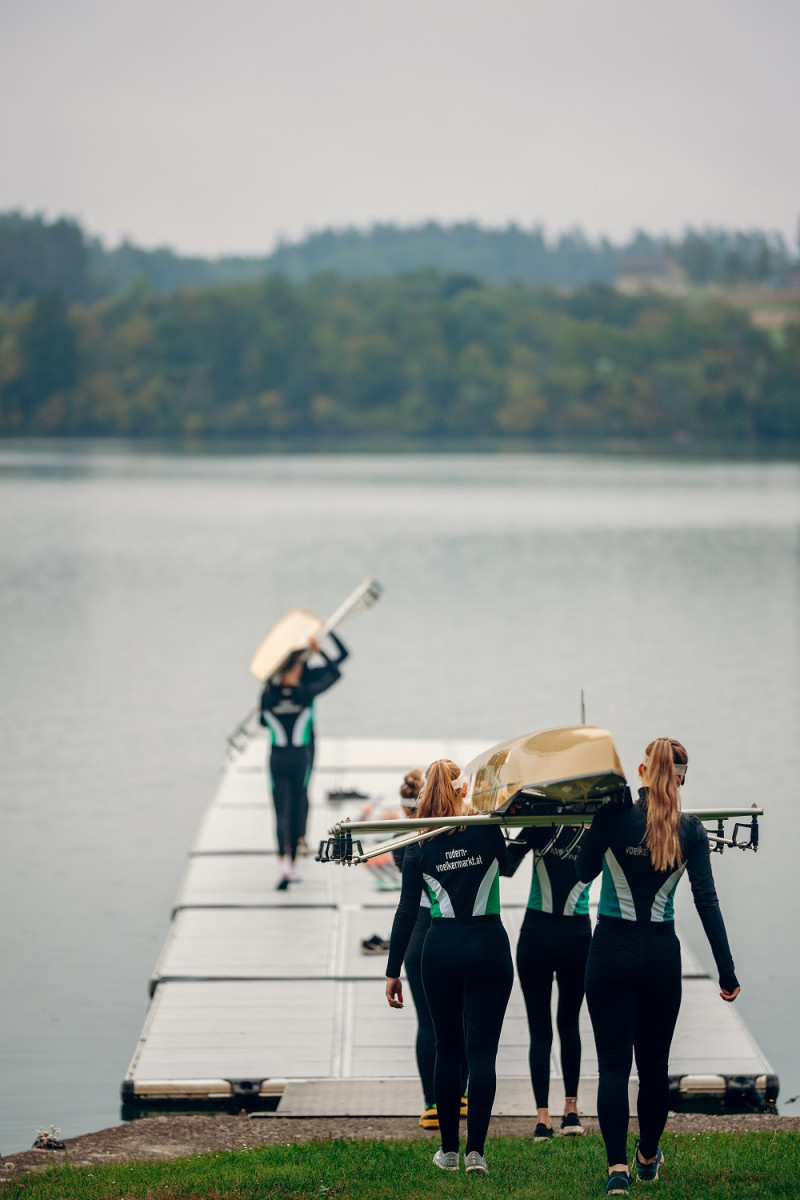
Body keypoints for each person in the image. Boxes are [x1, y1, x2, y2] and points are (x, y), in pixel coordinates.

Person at [577, 737, 740, 1196]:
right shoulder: (691, 831)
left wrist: (599, 818)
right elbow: (706, 902)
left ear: (642, 771)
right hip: (661, 960)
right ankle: (647, 1157)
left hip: (609, 952)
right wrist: (726, 971)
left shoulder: (613, 816)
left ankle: (616, 1171)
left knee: (612, 1066)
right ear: (683, 777)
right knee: (653, 1067)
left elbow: (582, 873)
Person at [385, 760, 513, 1175]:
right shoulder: (488, 831)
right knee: (482, 1052)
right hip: (488, 945)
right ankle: (476, 1152)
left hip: (439, 948)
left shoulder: (418, 844)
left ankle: (449, 1152)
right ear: (462, 793)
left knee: (448, 1047)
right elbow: (508, 866)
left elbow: (406, 913)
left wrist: (392, 971)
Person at [390, 768, 468, 1130]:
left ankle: (432, 1103)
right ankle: (461, 1095)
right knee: (460, 1019)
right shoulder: (446, 833)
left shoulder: (397, 841)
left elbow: (405, 905)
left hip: (417, 935)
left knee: (429, 1023)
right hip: (448, 928)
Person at [506, 824, 591, 1139]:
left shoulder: (542, 821)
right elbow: (506, 864)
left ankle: (556, 1113)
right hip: (560, 936)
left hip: (547, 936)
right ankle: (559, 1113)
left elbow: (505, 865)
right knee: (556, 1026)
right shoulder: (593, 827)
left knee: (555, 1027)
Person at [259, 632, 348, 889]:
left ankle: (282, 864)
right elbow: (337, 674)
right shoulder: (307, 692)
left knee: (280, 812)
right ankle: (295, 864)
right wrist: (319, 650)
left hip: (276, 758)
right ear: (296, 667)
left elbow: (263, 722)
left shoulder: (267, 695)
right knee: (299, 804)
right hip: (301, 758)